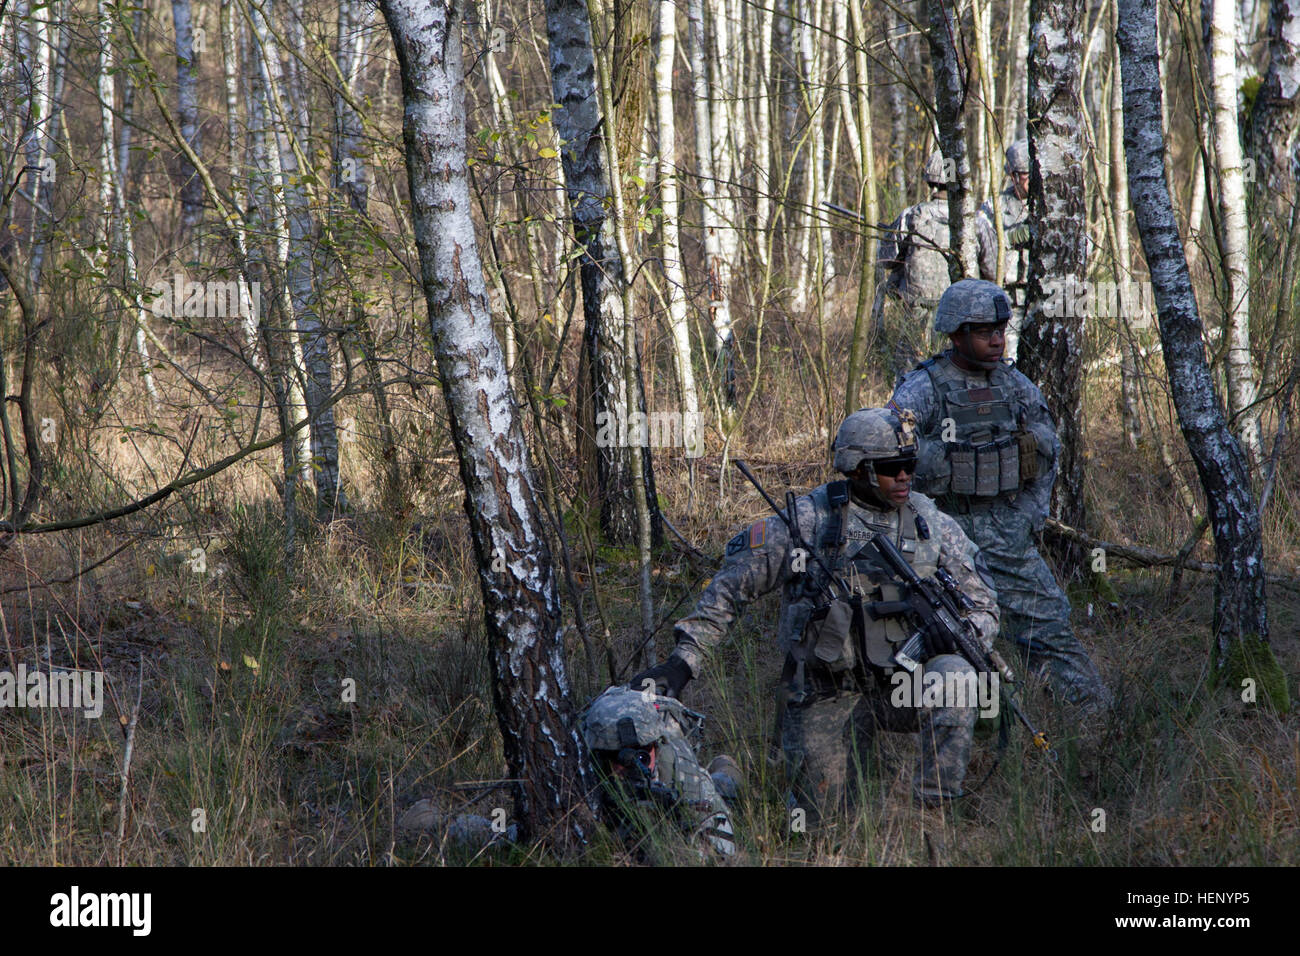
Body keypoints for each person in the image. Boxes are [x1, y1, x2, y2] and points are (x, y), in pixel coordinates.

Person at [630, 408, 1000, 825]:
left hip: (901, 687)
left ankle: (930, 813)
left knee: (958, 679)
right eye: (892, 468)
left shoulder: (930, 522)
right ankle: (729, 774)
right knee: (824, 825)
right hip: (827, 692)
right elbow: (731, 589)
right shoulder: (809, 521)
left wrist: (956, 635)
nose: (904, 477)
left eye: (910, 465)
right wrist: (684, 663)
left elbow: (984, 605)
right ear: (857, 470)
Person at [888, 279, 1112, 714]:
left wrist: (1029, 516)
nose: (996, 339)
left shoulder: (1016, 386)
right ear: (955, 334)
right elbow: (891, 458)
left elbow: (1046, 450)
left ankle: (1091, 719)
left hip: (1007, 532)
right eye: (984, 331)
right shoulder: (924, 388)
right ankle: (941, 720)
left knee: (1049, 624)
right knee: (935, 634)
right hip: (941, 536)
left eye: (1001, 329)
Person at [878, 150, 998, 380]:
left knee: (910, 376)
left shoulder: (912, 216)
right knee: (958, 375)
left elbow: (887, 258)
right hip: (962, 322)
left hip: (917, 315)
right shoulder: (976, 222)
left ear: (930, 180)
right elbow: (991, 271)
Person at [979, 141, 1031, 360]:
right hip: (1008, 297)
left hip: (1044, 296)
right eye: (1026, 175)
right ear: (1013, 176)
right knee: (1010, 362)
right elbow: (981, 246)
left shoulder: (1053, 203)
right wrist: (1011, 238)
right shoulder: (994, 208)